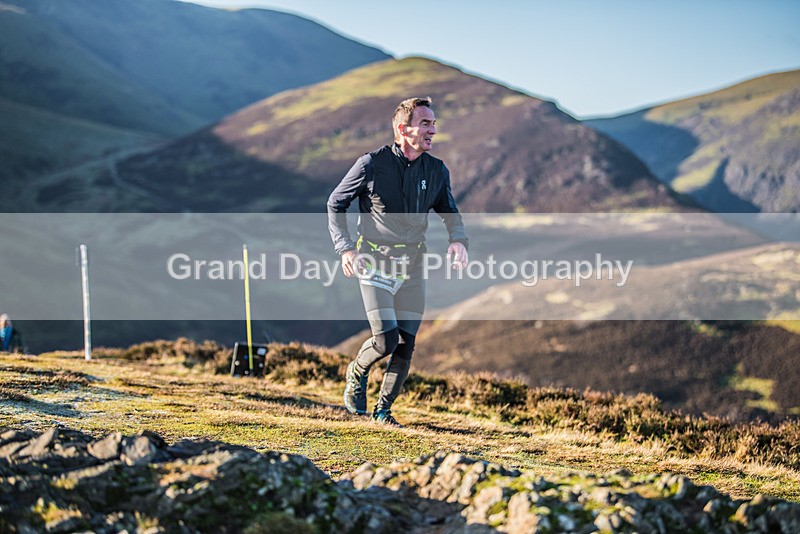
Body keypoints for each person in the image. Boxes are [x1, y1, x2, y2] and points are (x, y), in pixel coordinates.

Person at [327, 97, 469, 427]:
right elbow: (336, 204)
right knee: (385, 340)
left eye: (433, 123)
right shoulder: (370, 164)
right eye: (426, 124)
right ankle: (357, 371)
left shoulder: (436, 169)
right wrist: (346, 249)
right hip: (374, 261)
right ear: (403, 130)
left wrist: (458, 240)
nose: (433, 130)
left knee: (406, 343)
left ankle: (383, 412)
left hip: (413, 265)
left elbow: (449, 211)